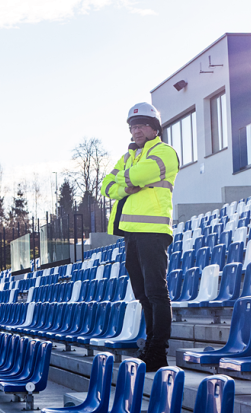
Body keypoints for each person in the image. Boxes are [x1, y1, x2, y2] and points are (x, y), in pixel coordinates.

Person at [101, 102, 179, 372]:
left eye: (142, 125)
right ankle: (149, 345)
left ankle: (159, 351)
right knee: (142, 293)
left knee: (157, 292)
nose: (136, 130)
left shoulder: (164, 151)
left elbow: (139, 175)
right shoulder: (128, 157)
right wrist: (128, 184)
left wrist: (128, 180)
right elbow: (106, 186)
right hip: (131, 234)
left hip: (154, 232)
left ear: (154, 127)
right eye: (133, 126)